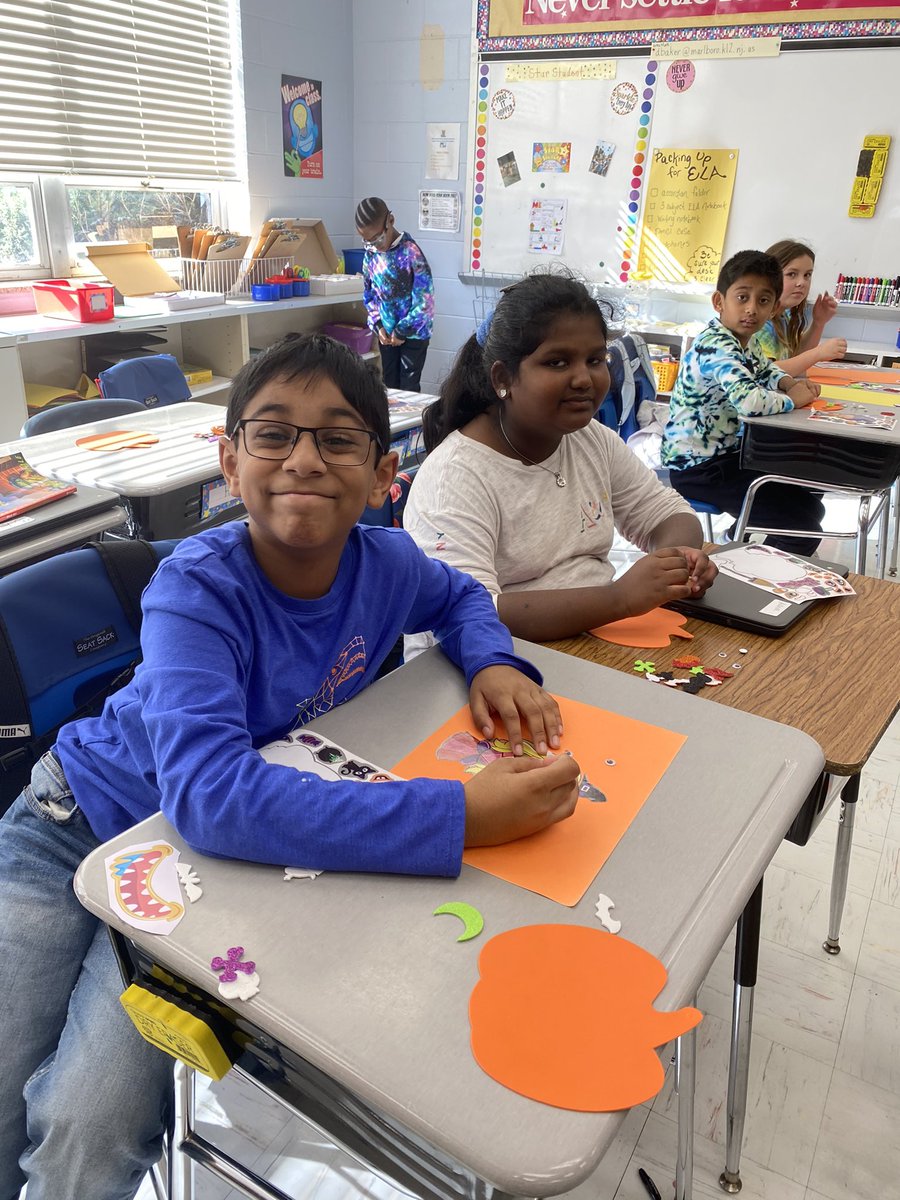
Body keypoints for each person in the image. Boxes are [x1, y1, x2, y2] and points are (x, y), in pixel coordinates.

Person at [0, 333, 580, 1200]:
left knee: (93, 1129)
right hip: (75, 822)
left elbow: (461, 596)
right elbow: (212, 796)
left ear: (384, 474)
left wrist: (494, 662)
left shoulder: (387, 564)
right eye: (273, 434)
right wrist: (460, 816)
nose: (304, 459)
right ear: (230, 463)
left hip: (202, 876)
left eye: (338, 439)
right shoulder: (196, 588)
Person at [403, 273, 716, 645]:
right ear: (502, 378)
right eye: (557, 362)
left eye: (595, 359)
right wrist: (619, 599)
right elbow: (469, 613)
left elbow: (666, 513)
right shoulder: (455, 477)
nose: (584, 379)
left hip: (588, 642)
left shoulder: (591, 439)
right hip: (484, 660)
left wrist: (678, 561)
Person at [662, 249, 825, 557]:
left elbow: (766, 369)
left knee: (811, 508)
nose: (751, 309)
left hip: (727, 457)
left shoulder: (743, 342)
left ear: (773, 308)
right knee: (804, 528)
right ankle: (754, 573)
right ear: (719, 301)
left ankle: (749, 553)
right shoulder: (717, 345)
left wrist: (788, 382)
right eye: (742, 297)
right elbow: (749, 401)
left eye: (763, 301)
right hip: (698, 468)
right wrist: (791, 399)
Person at [355, 196, 434, 392]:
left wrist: (401, 331)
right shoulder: (371, 255)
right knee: (389, 386)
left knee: (408, 388)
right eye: (368, 241)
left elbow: (425, 302)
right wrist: (378, 325)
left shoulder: (411, 252)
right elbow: (369, 295)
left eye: (378, 238)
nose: (375, 245)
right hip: (387, 334)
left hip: (413, 334)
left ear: (390, 220)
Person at [755, 239, 847, 376]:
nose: (801, 283)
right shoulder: (759, 321)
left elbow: (796, 357)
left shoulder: (783, 316)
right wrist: (818, 353)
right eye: (792, 274)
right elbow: (766, 372)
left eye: (807, 275)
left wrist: (818, 323)